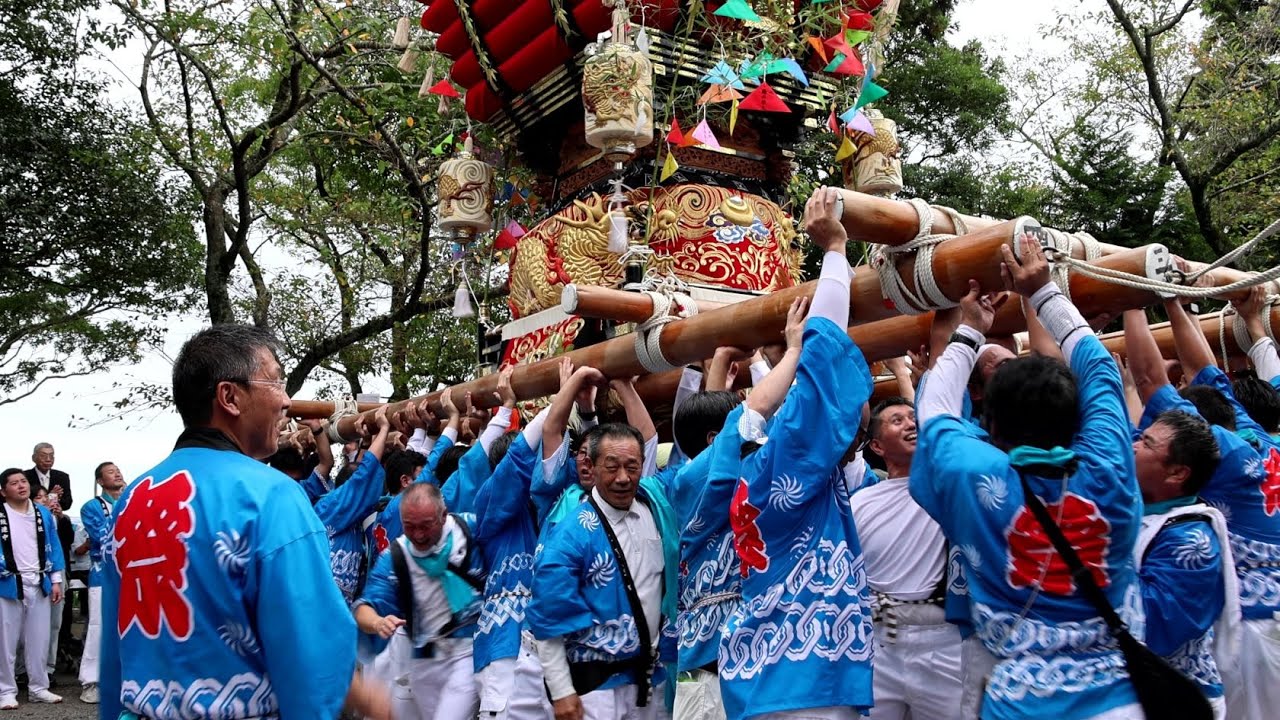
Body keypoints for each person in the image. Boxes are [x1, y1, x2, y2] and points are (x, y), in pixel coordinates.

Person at [97, 324, 389, 720]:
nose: (287, 401)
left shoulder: (132, 500)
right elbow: (312, 654)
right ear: (229, 397)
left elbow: (116, 650)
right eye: (276, 382)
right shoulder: (269, 494)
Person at [911, 233, 1145, 719]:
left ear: (989, 423)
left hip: (1020, 702)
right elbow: (1100, 368)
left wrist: (971, 330)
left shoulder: (970, 470)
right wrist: (1043, 290)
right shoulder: (1109, 464)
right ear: (1081, 415)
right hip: (1121, 701)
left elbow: (933, 404)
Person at [717, 187, 875, 720]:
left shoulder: (741, 473)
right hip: (810, 682)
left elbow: (794, 403)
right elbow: (824, 359)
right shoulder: (784, 465)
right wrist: (834, 251)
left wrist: (786, 353)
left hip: (760, 674)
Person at [1145, 292, 1280, 719]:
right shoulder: (1264, 437)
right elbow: (1207, 373)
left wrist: (1144, 298)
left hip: (1258, 628)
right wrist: (1175, 306)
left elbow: (1152, 381)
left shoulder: (1221, 449)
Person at [670, 305, 807, 720]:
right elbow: (754, 414)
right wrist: (794, 349)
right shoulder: (693, 477)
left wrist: (720, 368)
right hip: (714, 665)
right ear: (717, 437)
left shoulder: (686, 476)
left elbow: (730, 432)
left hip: (715, 659)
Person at [1122, 308, 1238, 719]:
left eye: (1147, 443)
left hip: (1173, 701)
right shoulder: (1145, 509)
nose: (1133, 445)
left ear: (1177, 473)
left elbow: (1153, 629)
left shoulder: (1192, 541)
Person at [529, 421, 678, 720]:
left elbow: (696, 463)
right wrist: (561, 692)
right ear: (591, 467)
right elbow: (548, 617)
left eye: (632, 467)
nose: (623, 478)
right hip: (595, 692)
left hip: (651, 682)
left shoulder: (655, 503)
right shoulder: (571, 534)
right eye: (612, 467)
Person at [851, 396, 962, 720]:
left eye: (914, 418)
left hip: (942, 638)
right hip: (878, 639)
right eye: (897, 420)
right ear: (877, 446)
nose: (911, 424)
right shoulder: (860, 503)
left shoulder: (947, 487)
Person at [355, 482, 487, 720]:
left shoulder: (471, 529)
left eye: (426, 526)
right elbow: (364, 607)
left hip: (468, 652)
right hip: (423, 660)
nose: (418, 535)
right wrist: (377, 623)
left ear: (443, 515)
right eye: (409, 526)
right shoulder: (396, 556)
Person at [0, 469, 65, 709]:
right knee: (5, 641)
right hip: (7, 582)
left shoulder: (43, 514)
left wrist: (56, 579)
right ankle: (6, 690)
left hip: (39, 581)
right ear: (3, 491)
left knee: (39, 638)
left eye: (24, 481)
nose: (21, 486)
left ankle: (39, 687)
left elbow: (54, 547)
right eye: (14, 483)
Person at [23, 444, 71, 512]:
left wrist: (55, 499)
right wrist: (51, 497)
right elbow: (21, 501)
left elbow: (67, 504)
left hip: (54, 515)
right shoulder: (24, 476)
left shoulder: (62, 477)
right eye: (43, 456)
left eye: (51, 456)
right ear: (34, 458)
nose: (48, 459)